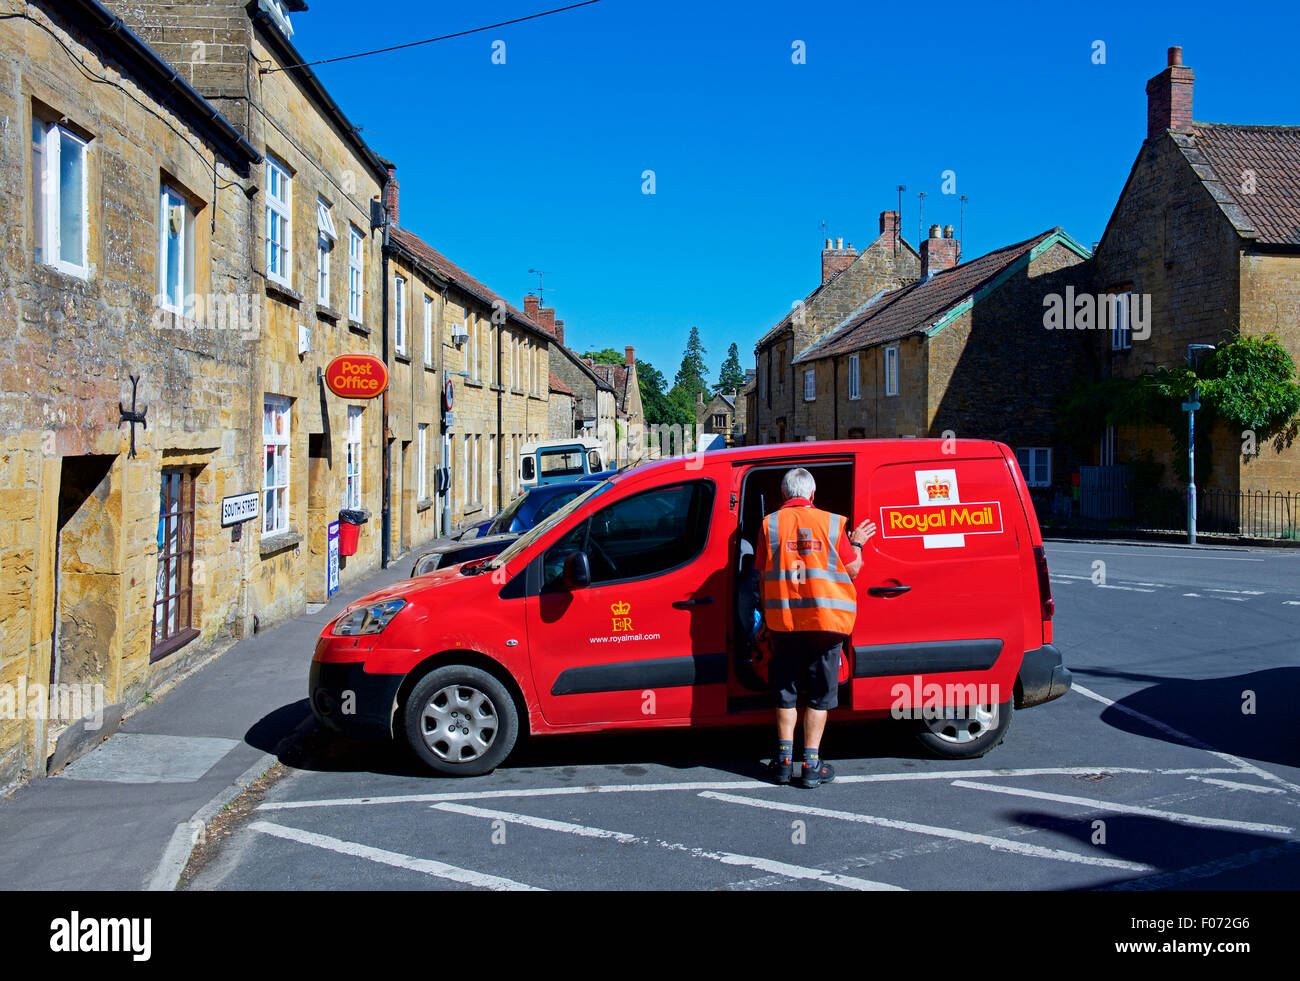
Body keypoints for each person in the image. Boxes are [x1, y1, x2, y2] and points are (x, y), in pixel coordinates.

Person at [756, 468, 875, 788]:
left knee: (785, 693)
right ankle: (811, 765)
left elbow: (760, 574)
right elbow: (853, 570)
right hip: (826, 624)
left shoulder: (769, 525)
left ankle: (782, 763)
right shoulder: (833, 523)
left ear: (784, 495)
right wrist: (858, 543)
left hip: (784, 623)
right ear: (812, 494)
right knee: (819, 695)